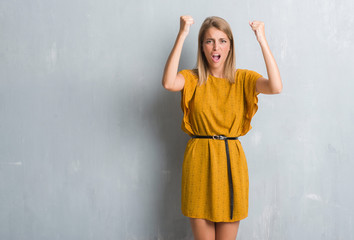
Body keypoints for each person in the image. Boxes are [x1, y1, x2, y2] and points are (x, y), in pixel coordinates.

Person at [162, 15, 282, 240]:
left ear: (230, 46)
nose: (216, 47)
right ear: (202, 47)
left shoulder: (243, 79)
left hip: (230, 163)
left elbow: (275, 87)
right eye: (209, 41)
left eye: (222, 40)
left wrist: (262, 40)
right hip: (199, 161)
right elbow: (168, 82)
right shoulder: (191, 79)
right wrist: (182, 34)